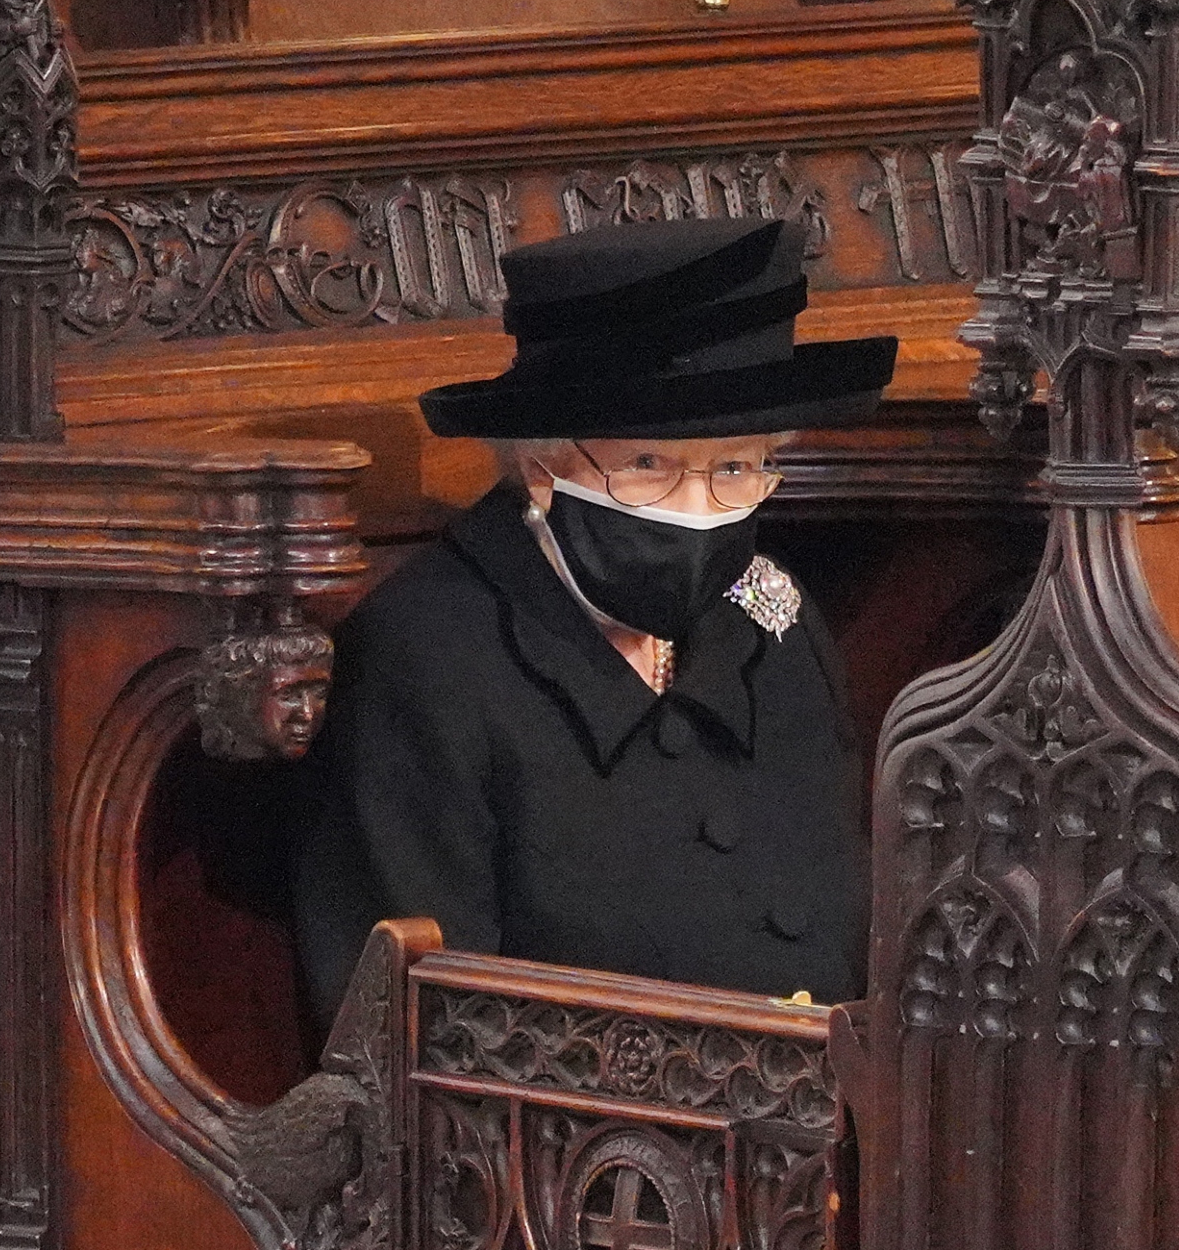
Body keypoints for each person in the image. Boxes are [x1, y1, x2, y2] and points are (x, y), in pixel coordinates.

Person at [291, 216, 897, 1029]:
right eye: (649, 466)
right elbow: (413, 1034)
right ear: (542, 467)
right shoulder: (428, 657)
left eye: (734, 468)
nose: (698, 511)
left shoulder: (774, 621)